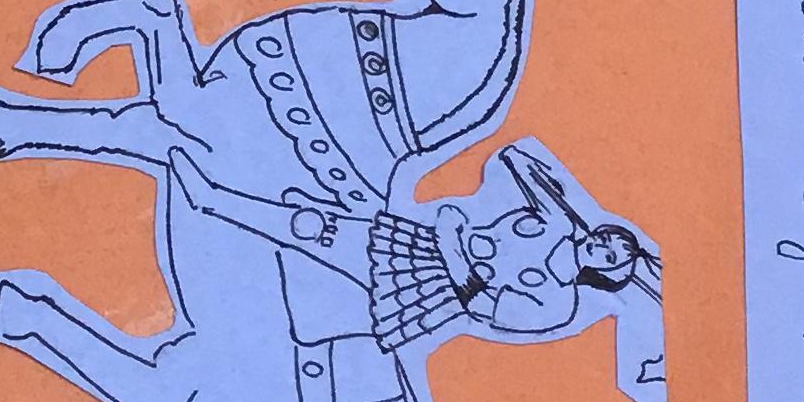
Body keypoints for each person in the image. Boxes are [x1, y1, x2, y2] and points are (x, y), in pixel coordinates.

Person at [169, 137, 656, 355]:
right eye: (610, 237)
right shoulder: (555, 222)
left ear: (606, 275)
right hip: (418, 245)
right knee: (317, 227)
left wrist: (454, 245)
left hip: (424, 296)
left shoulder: (557, 304)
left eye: (612, 256)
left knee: (316, 303)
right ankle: (212, 199)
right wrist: (565, 192)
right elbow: (515, 157)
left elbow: (479, 305)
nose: (604, 244)